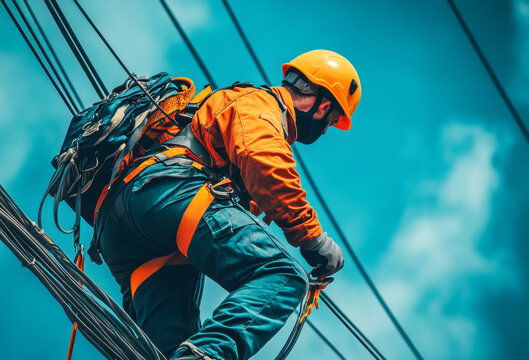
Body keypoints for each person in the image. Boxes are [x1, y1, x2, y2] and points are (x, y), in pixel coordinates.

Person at [95, 49, 361, 360]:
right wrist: (314, 239)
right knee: (282, 275)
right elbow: (266, 163)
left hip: (121, 227)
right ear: (323, 106)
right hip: (167, 194)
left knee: (165, 351)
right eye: (330, 121)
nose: (326, 129)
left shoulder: (240, 111)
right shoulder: (260, 104)